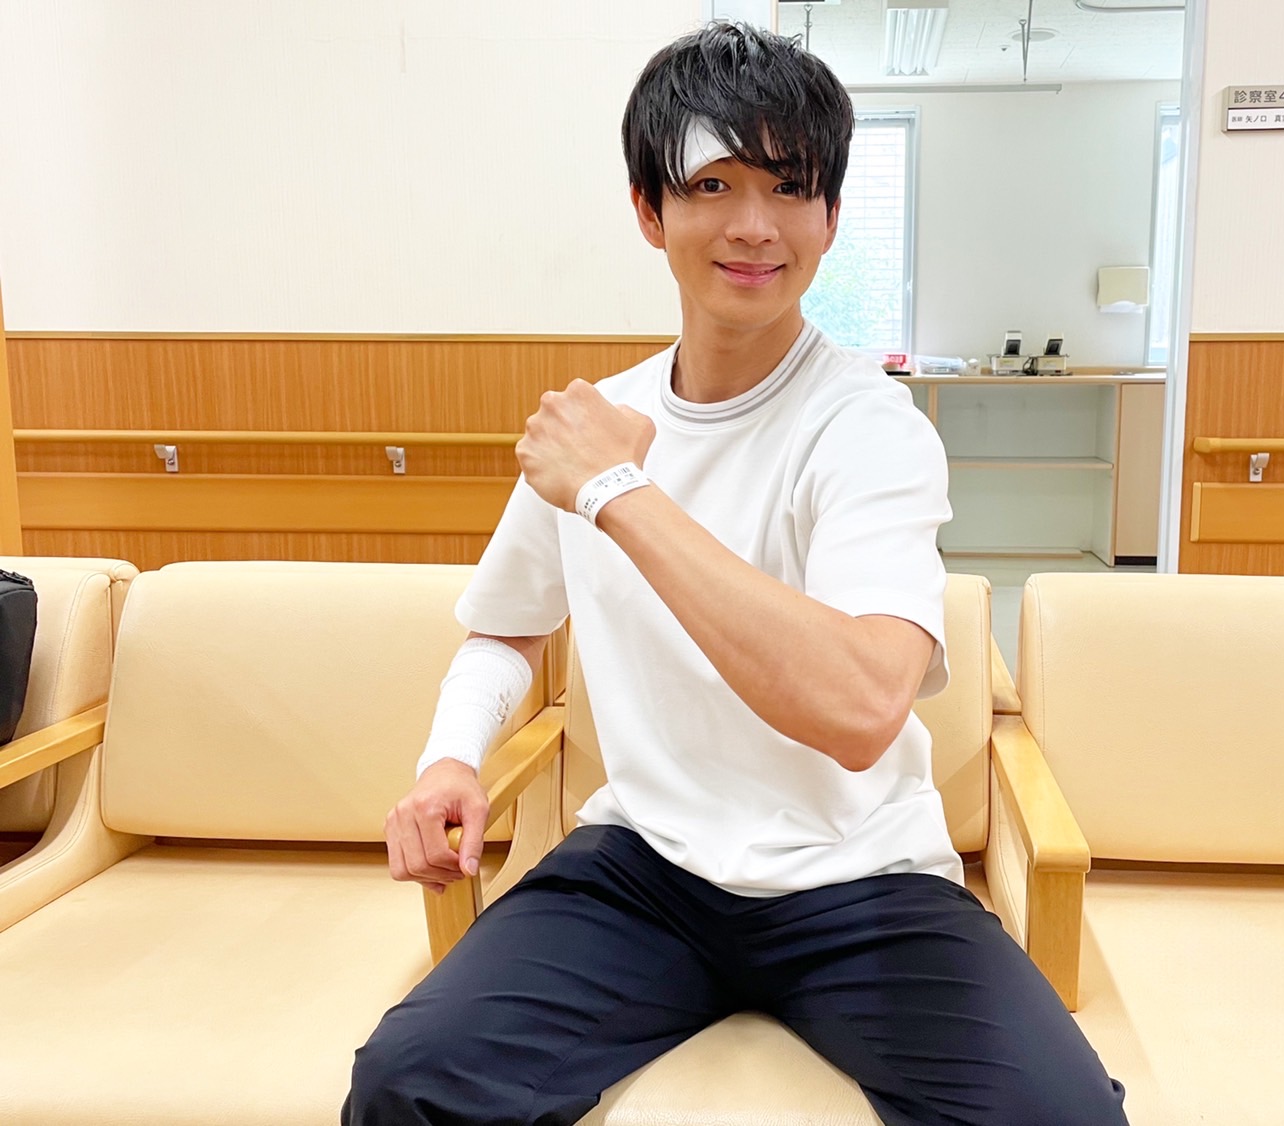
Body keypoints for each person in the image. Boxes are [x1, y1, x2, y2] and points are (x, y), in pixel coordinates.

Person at [344, 21, 1128, 1126]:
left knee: (1059, 1118)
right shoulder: (597, 425)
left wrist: (620, 495)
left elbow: (859, 708)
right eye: (712, 184)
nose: (754, 224)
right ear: (648, 210)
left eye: (790, 186)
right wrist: (448, 760)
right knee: (408, 1083)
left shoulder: (866, 427)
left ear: (831, 217)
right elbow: (508, 628)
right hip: (642, 869)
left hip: (861, 879)